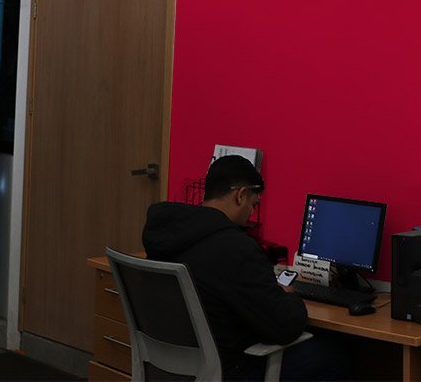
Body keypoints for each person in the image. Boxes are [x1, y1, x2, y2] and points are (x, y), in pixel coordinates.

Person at [142, 156, 347, 381]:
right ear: (240, 195)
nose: (251, 211)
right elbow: (284, 326)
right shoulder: (236, 248)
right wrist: (289, 296)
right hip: (229, 369)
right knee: (334, 354)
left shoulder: (164, 235)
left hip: (171, 366)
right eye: (253, 203)